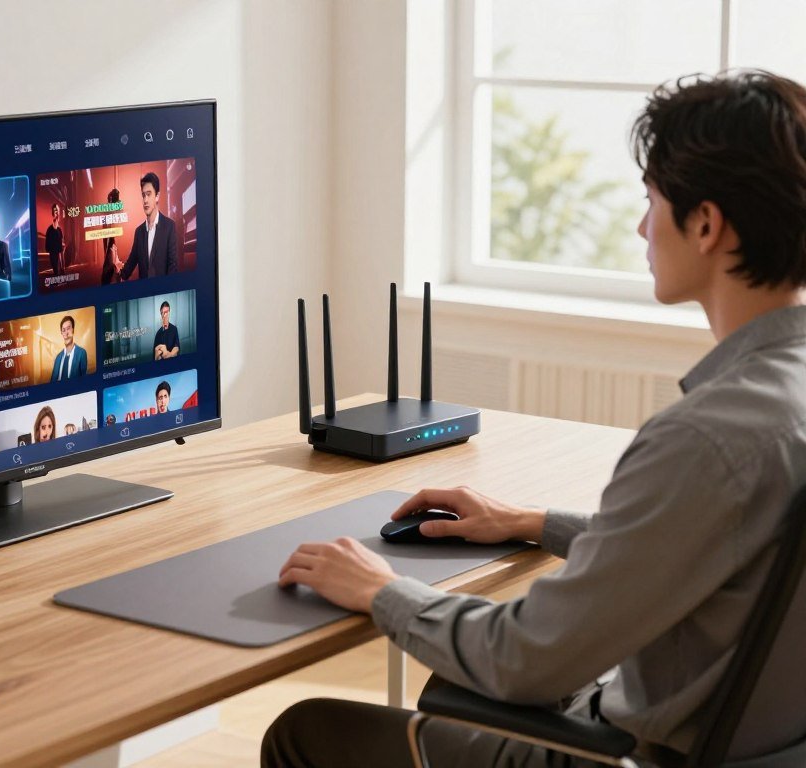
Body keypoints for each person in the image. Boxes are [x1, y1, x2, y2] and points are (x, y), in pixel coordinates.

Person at [264, 70, 806, 767]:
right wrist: (532, 523)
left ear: (705, 224)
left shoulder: (706, 438)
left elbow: (525, 659)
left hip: (623, 754)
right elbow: (721, 538)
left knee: (307, 732)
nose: (643, 227)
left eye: (652, 202)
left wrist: (381, 591)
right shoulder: (775, 405)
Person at [117, 172, 178, 280]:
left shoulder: (169, 227)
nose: (145, 200)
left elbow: (173, 266)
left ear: (157, 196)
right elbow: (131, 263)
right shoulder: (139, 232)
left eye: (149, 194)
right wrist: (118, 272)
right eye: (143, 195)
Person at [49, 315, 88, 382]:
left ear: (73, 330)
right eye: (63, 330)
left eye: (68, 328)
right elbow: (52, 381)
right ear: (61, 333)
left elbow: (84, 381)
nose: (66, 333)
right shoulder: (58, 357)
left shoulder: (81, 353)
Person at [101, 189, 122, 286]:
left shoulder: (109, 210)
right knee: (110, 266)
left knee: (114, 265)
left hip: (110, 239)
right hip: (110, 239)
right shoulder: (108, 210)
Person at [45, 203, 65, 276]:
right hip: (54, 249)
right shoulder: (52, 228)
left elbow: (60, 239)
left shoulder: (59, 228)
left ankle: (60, 272)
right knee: (56, 269)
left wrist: (62, 244)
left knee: (60, 270)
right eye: (55, 210)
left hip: (58, 249)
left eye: (57, 210)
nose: (56, 212)